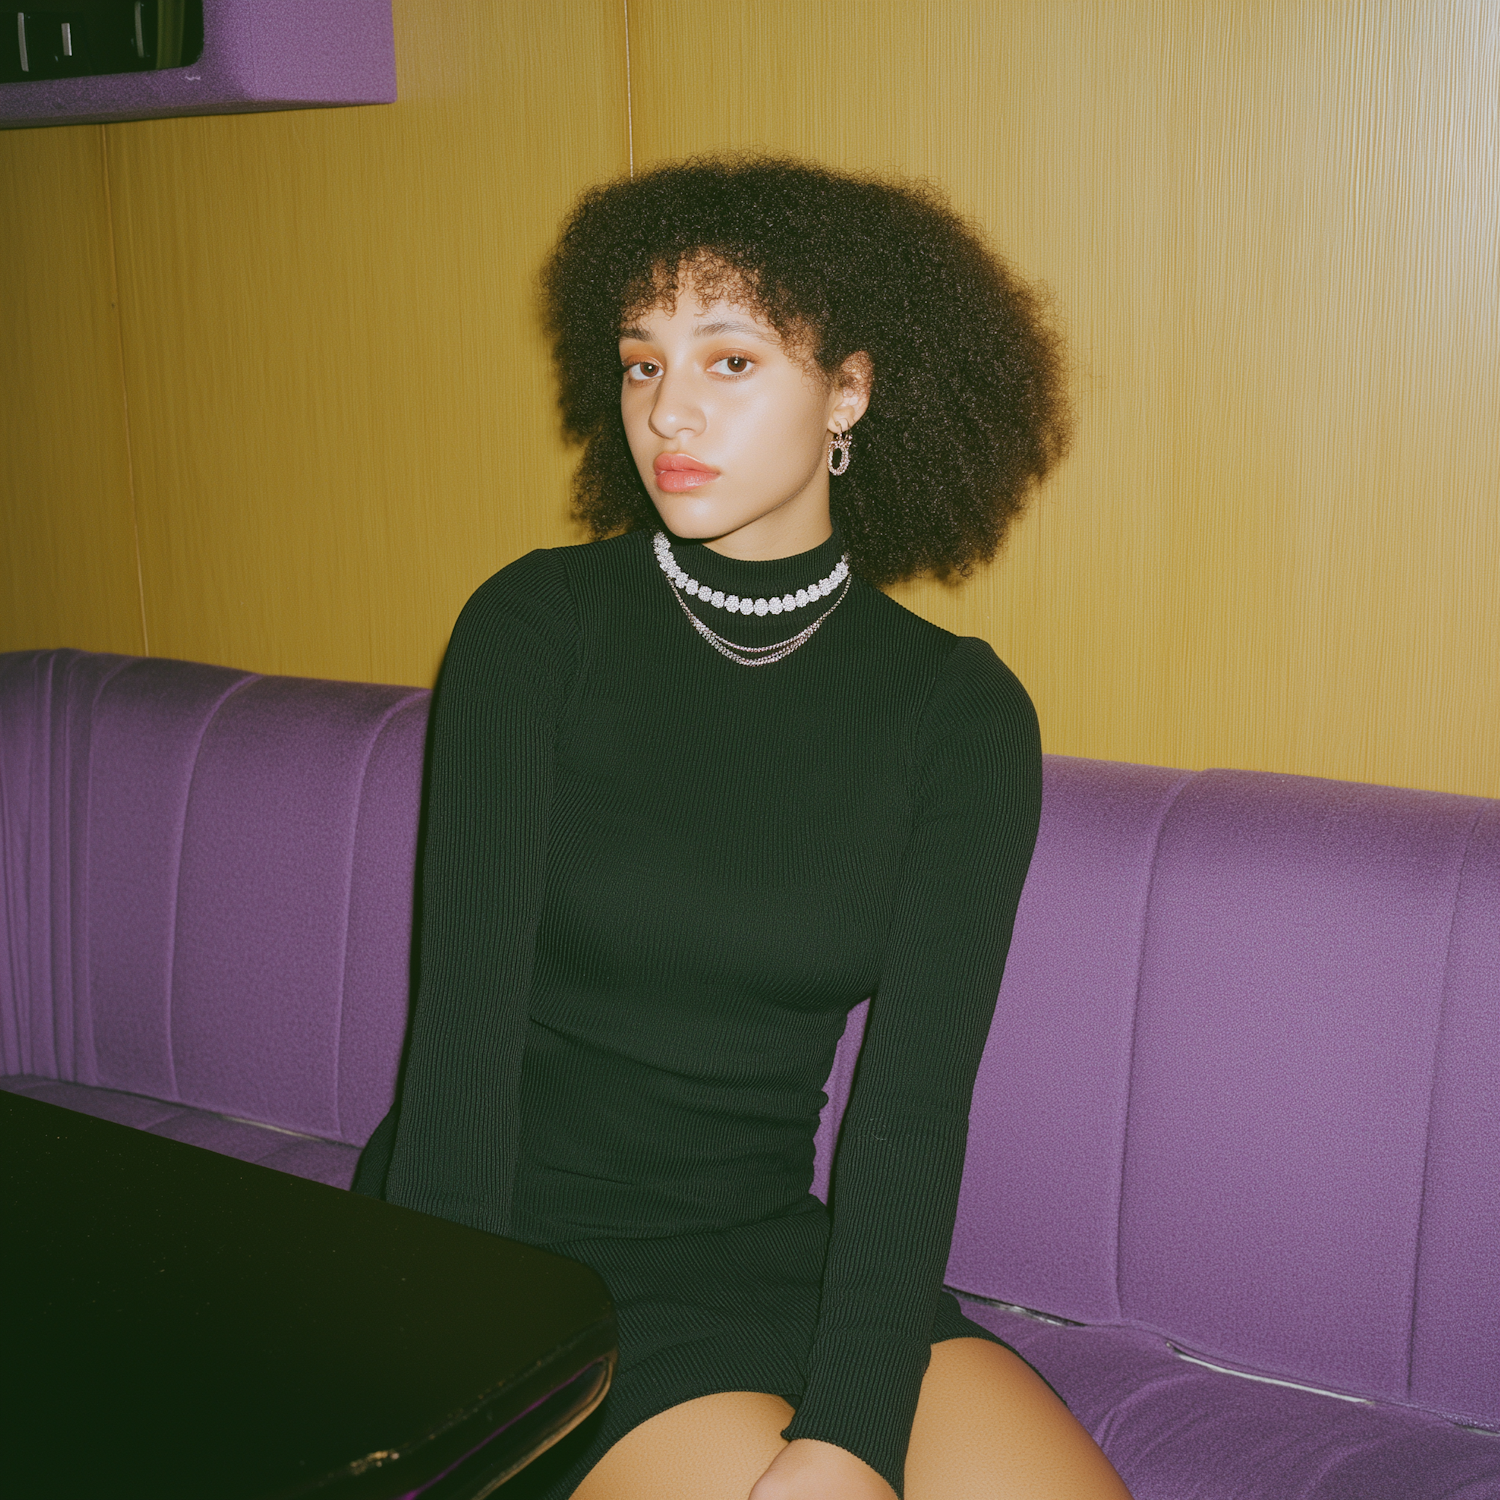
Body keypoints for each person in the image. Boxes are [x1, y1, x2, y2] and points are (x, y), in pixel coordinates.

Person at [354, 155, 1132, 1500]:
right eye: (642, 363)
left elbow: (910, 1113)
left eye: (730, 360)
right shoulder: (537, 629)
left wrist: (852, 1432)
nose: (669, 410)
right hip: (528, 1258)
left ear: (850, 391)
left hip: (775, 1241)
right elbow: (462, 1042)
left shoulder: (959, 714)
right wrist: (453, 1373)